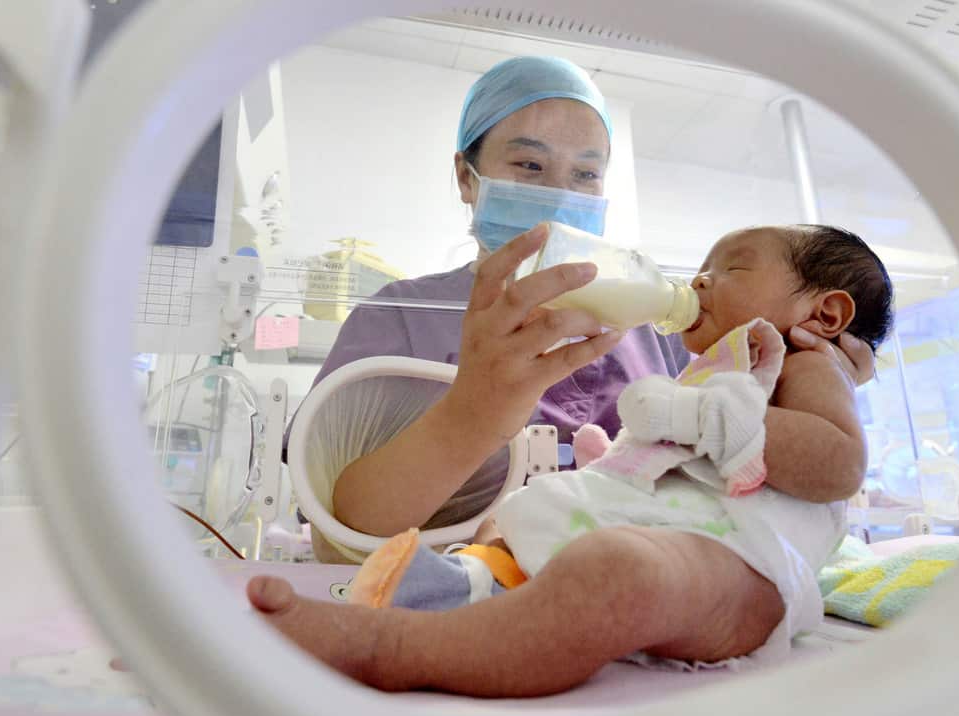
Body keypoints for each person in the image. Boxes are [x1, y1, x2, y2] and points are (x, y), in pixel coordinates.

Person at [247, 224, 894, 697]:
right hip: (675, 538)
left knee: (617, 570)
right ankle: (469, 585)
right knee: (522, 520)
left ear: (827, 311)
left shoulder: (808, 364)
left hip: (743, 569)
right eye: (703, 264)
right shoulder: (712, 366)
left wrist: (698, 414)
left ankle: (395, 648)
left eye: (733, 268)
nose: (699, 280)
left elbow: (838, 466)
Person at [286, 56, 876, 561]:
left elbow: (752, 446)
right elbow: (335, 536)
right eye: (530, 167)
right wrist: (474, 413)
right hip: (460, 607)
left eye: (586, 174)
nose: (561, 194)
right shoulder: (404, 315)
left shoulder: (664, 329)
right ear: (467, 178)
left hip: (643, 610)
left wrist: (819, 376)